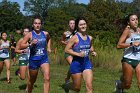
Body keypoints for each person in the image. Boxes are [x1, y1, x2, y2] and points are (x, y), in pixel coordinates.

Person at [65, 17, 96, 93]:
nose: (83, 26)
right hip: (76, 64)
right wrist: (78, 54)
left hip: (86, 63)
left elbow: (90, 47)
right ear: (77, 26)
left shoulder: (90, 38)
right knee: (77, 88)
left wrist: (93, 52)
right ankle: (67, 85)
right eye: (81, 24)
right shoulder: (75, 38)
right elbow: (66, 49)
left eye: (84, 24)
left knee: (89, 86)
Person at [20, 17, 51, 93]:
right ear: (33, 25)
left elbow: (49, 39)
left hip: (44, 58)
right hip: (34, 60)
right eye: (35, 23)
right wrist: (30, 43)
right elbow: (21, 45)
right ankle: (28, 90)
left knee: (47, 78)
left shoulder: (45, 33)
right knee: (32, 81)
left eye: (39, 23)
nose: (37, 25)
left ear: (41, 25)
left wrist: (49, 47)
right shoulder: (30, 35)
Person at [115, 14, 140, 93]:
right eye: (133, 20)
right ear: (128, 22)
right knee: (127, 85)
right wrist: (132, 44)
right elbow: (118, 45)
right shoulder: (127, 31)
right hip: (128, 59)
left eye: (136, 19)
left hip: (139, 60)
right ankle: (118, 85)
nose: (135, 21)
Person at [61, 19, 76, 84]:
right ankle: (74, 80)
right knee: (72, 64)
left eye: (73, 23)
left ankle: (67, 78)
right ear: (68, 25)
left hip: (76, 52)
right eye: (71, 23)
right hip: (68, 52)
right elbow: (61, 41)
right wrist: (65, 43)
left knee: (74, 65)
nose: (72, 25)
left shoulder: (77, 33)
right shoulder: (65, 33)